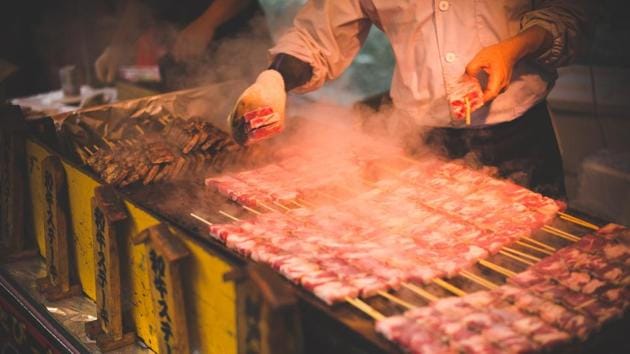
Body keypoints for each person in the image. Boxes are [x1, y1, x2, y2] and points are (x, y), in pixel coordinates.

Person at [229, 0, 590, 198]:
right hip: (418, 140)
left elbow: (571, 13)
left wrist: (515, 48)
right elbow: (317, 36)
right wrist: (274, 77)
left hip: (517, 135)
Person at [95, 0, 266, 88]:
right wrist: (118, 46)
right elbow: (140, 4)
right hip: (183, 55)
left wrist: (207, 23)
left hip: (236, 45)